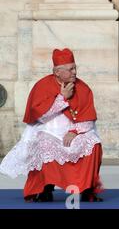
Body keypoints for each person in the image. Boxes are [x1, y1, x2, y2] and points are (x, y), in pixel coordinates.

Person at [0, 48, 103, 202]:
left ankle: (86, 189)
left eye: (75, 68)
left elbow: (88, 118)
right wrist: (62, 98)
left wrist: (75, 131)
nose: (74, 72)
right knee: (43, 145)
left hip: (74, 130)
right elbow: (39, 116)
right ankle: (45, 189)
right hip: (48, 128)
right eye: (70, 69)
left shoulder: (83, 88)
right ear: (57, 72)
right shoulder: (42, 86)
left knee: (93, 143)